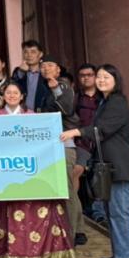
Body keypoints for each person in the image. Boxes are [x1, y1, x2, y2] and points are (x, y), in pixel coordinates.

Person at [0, 82, 76, 258]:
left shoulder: (33, 118)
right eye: (8, 92)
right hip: (4, 174)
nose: (12, 95)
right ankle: (1, 252)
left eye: (16, 93)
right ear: (3, 96)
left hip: (29, 173)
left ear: (22, 97)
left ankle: (38, 252)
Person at [61, 65, 129, 258]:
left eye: (107, 77)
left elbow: (102, 129)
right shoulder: (105, 101)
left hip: (120, 165)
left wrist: (75, 132)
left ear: (116, 80)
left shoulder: (117, 101)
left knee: (121, 211)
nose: (102, 80)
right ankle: (119, 254)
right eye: (100, 77)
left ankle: (127, 257)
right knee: (111, 211)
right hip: (107, 165)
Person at [38, 55, 84, 246]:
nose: (46, 68)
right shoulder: (44, 88)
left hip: (64, 145)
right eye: (43, 66)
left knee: (67, 190)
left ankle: (71, 235)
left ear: (58, 70)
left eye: (50, 65)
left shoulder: (63, 86)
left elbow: (67, 109)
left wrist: (55, 88)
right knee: (60, 190)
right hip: (49, 145)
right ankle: (73, 230)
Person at [73, 64, 103, 224]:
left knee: (101, 175)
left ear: (95, 76)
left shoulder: (103, 97)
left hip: (101, 143)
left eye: (89, 74)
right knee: (76, 170)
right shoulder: (76, 98)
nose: (86, 78)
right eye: (82, 75)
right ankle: (75, 210)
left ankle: (99, 213)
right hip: (82, 142)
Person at [12, 40, 48, 113]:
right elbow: (12, 87)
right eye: (26, 52)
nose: (29, 55)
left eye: (33, 52)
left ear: (40, 54)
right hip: (22, 113)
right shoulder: (18, 71)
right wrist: (21, 71)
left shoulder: (45, 72)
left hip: (42, 113)